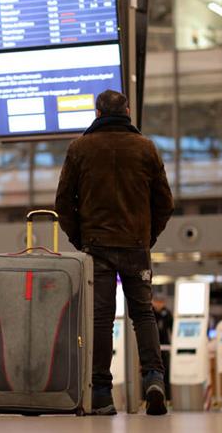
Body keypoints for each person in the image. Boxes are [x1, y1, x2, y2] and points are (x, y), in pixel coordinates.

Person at [55, 90, 174, 416]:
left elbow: (63, 202)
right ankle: (154, 379)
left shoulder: (80, 148)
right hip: (136, 245)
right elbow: (165, 202)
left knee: (102, 320)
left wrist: (81, 240)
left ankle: (103, 394)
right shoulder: (146, 147)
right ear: (128, 111)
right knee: (144, 315)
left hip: (98, 247)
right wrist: (147, 237)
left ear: (97, 112)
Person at [153, 297, 173, 397]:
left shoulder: (167, 313)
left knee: (166, 372)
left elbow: (172, 328)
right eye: (157, 302)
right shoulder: (150, 313)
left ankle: (168, 396)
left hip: (165, 346)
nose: (159, 304)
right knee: (153, 370)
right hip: (153, 346)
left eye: (161, 302)